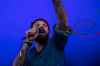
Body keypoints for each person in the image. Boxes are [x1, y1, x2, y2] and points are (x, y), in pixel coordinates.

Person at [13, 0, 72, 66]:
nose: (41, 27)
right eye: (37, 25)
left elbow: (63, 23)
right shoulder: (29, 54)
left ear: (49, 32)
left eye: (45, 25)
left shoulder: (56, 43)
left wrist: (56, 2)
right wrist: (26, 43)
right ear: (31, 30)